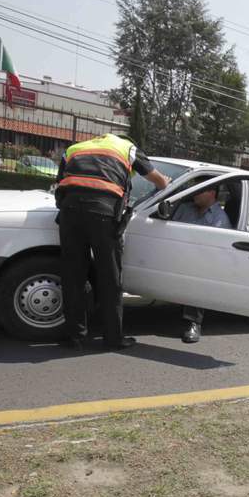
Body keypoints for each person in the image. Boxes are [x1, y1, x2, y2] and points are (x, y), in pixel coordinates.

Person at [55, 132, 168, 351]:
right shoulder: (128, 148)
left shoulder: (75, 149)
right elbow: (159, 181)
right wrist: (166, 181)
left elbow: (60, 183)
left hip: (70, 213)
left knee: (73, 277)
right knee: (110, 278)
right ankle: (113, 338)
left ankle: (75, 337)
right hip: (103, 215)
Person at [172, 183, 232, 344]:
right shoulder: (184, 208)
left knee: (199, 270)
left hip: (201, 261)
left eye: (199, 190)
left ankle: (193, 322)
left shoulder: (220, 218)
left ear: (212, 193)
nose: (195, 193)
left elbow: (215, 251)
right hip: (175, 253)